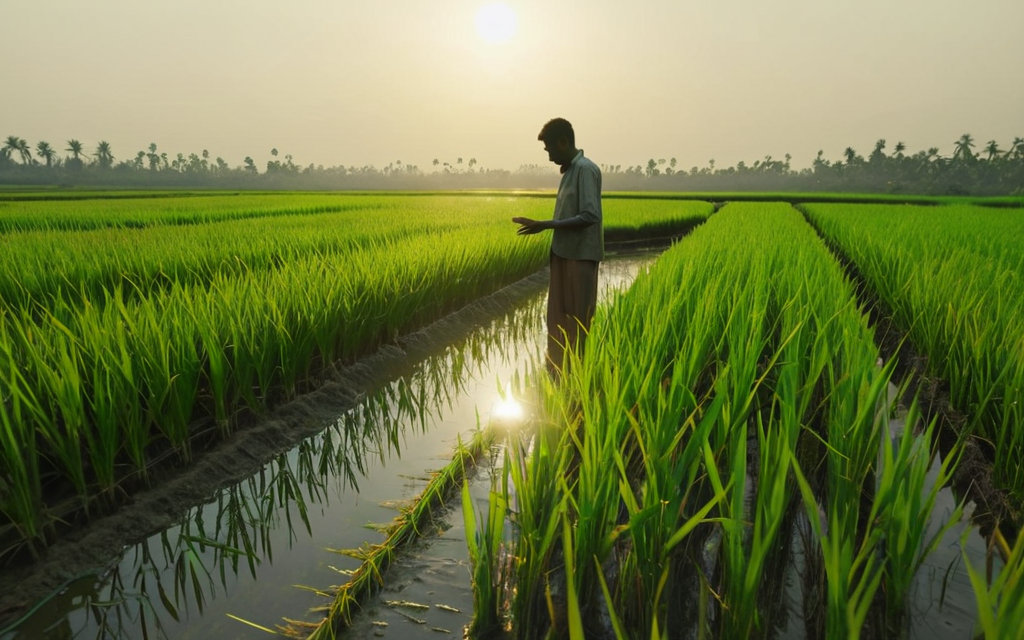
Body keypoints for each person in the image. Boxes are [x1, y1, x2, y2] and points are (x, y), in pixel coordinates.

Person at [513, 118, 603, 377]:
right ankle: (558, 378)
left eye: (550, 148)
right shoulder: (569, 171)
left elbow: (590, 215)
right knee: (558, 321)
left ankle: (578, 381)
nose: (549, 155)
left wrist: (545, 224)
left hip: (580, 257)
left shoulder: (585, 170)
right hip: (563, 254)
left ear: (563, 142)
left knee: (578, 324)